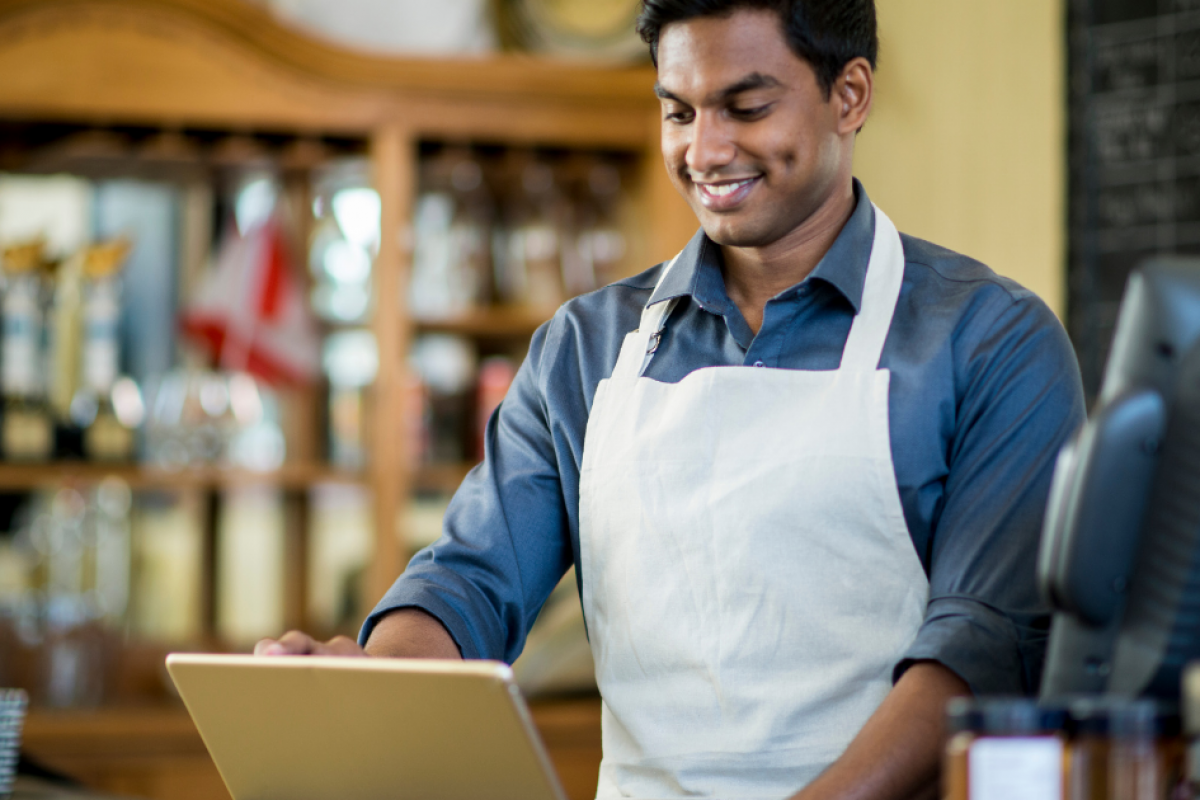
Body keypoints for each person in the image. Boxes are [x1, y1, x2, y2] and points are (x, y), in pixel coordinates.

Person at [258, 1, 1086, 798]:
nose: (706, 149)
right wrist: (367, 681)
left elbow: (978, 653)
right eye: (678, 112)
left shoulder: (990, 342)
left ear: (850, 95)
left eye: (746, 107)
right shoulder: (585, 349)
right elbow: (471, 582)